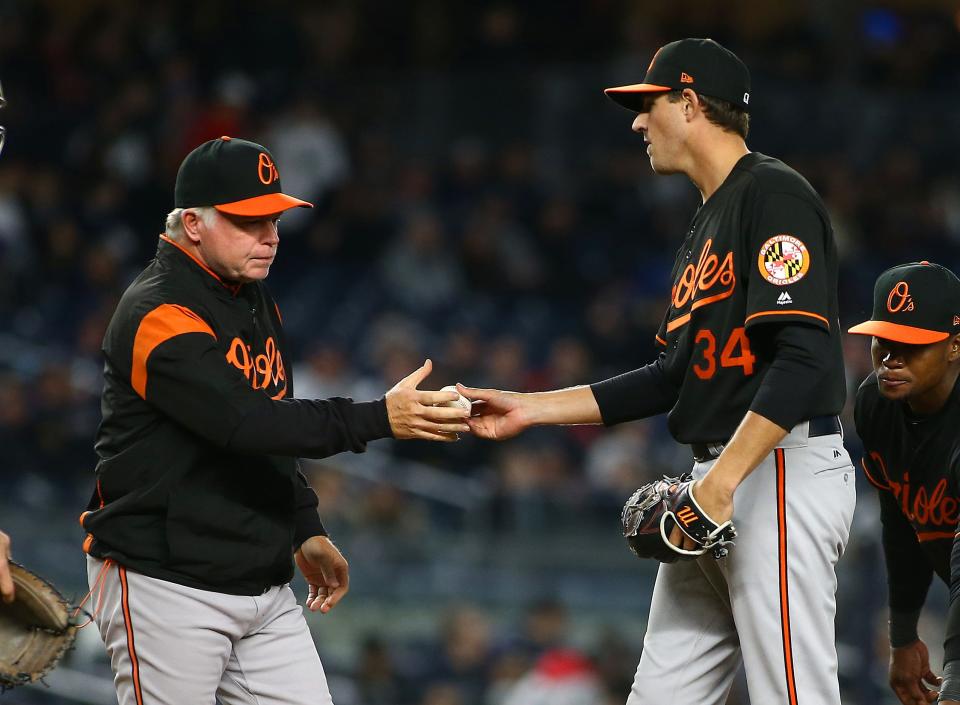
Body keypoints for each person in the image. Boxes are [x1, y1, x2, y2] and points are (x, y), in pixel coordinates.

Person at [460, 38, 855, 704]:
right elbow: (671, 375)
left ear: (691, 102)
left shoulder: (773, 194)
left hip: (775, 467)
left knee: (794, 694)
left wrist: (724, 482)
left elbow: (806, 356)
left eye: (649, 104)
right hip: (715, 479)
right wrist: (532, 407)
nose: (638, 122)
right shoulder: (704, 224)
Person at [79, 136, 470, 705]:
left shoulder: (251, 295)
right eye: (249, 222)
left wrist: (304, 525)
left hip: (261, 585)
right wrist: (378, 418)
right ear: (192, 223)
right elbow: (247, 424)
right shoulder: (157, 312)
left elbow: (273, 422)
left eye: (275, 219)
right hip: (165, 583)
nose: (271, 236)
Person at [849, 261, 960, 705]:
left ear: (955, 346)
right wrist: (903, 636)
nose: (891, 359)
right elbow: (901, 521)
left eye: (911, 345)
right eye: (884, 342)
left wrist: (955, 676)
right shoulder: (876, 404)